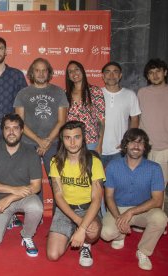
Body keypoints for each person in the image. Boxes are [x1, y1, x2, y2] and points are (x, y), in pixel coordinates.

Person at [101, 128, 167, 271]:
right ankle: (120, 236)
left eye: (141, 143)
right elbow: (108, 196)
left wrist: (131, 212)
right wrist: (119, 218)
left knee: (161, 218)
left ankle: (143, 251)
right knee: (106, 234)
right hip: (118, 208)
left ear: (145, 147)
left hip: (143, 209)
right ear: (125, 145)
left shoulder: (154, 168)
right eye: (132, 142)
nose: (136, 146)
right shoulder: (113, 166)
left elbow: (157, 201)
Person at [0, 113, 43, 257]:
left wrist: (10, 197)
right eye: (7, 128)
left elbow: (36, 186)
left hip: (23, 196)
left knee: (36, 206)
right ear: (2, 131)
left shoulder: (31, 153)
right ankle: (9, 218)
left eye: (15, 128)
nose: (11, 132)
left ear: (22, 131)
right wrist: (12, 190)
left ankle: (27, 236)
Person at [46, 121, 105, 267]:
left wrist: (83, 228)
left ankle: (86, 245)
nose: (72, 142)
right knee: (53, 255)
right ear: (62, 140)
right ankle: (72, 232)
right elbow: (58, 197)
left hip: (87, 209)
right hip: (65, 209)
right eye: (67, 138)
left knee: (92, 232)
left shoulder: (94, 161)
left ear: (83, 138)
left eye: (76, 137)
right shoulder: (56, 162)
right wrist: (79, 223)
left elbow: (97, 200)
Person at [14, 57, 68, 204]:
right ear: (32, 72)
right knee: (32, 181)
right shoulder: (22, 94)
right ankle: (36, 214)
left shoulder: (58, 92)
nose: (41, 73)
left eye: (44, 70)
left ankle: (60, 217)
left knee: (57, 181)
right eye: (37, 70)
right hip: (28, 143)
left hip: (54, 143)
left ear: (49, 73)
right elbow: (20, 123)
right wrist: (39, 141)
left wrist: (47, 141)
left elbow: (62, 121)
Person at [101, 61, 141, 167]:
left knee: (118, 182)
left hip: (119, 151)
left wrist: (128, 141)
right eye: (108, 72)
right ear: (103, 76)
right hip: (97, 149)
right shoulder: (96, 94)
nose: (111, 75)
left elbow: (135, 120)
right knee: (95, 183)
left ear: (120, 75)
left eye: (115, 72)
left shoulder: (130, 95)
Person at [138, 58, 168, 186]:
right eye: (151, 72)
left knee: (160, 185)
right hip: (144, 148)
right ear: (147, 76)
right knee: (144, 184)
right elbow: (136, 118)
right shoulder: (142, 93)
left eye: (158, 71)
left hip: (165, 148)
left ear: (165, 72)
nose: (155, 75)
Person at [65, 60, 105, 154]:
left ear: (82, 71)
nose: (74, 73)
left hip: (90, 143)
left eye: (77, 69)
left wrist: (99, 144)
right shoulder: (65, 94)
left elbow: (101, 121)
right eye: (70, 72)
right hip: (71, 142)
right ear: (68, 76)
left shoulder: (95, 91)